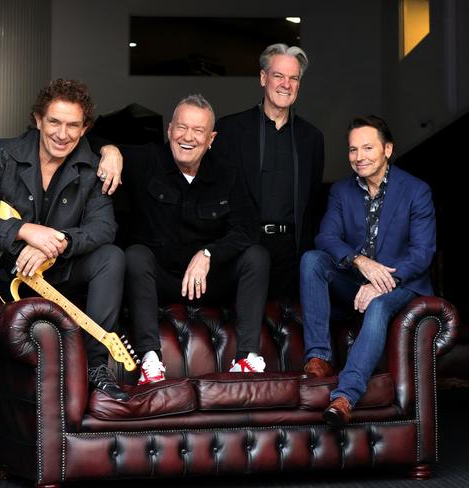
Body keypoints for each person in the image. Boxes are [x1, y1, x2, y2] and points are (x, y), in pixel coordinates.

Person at [0, 79, 128, 488]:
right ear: (38, 119)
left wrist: (59, 244)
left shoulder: (91, 168)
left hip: (45, 275)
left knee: (112, 258)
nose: (62, 133)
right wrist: (26, 231)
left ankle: (97, 367)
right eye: (54, 121)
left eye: (73, 125)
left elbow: (105, 228)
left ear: (85, 127)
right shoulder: (3, 152)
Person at [117, 94, 270, 383]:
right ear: (170, 131)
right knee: (135, 254)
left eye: (198, 131)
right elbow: (90, 145)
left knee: (256, 256)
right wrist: (112, 152)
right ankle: (150, 360)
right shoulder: (147, 160)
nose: (188, 137)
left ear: (211, 138)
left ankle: (246, 358)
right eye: (182, 128)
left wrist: (209, 253)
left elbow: (247, 229)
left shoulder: (228, 174)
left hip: (208, 283)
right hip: (160, 282)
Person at [300, 115, 436, 428]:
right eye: (352, 150)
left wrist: (383, 282)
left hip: (403, 282)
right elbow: (327, 237)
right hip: (356, 280)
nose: (359, 157)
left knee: (377, 305)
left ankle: (344, 397)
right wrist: (360, 262)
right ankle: (318, 358)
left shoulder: (416, 191)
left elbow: (422, 253)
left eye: (367, 148)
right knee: (312, 259)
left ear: (388, 149)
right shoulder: (340, 191)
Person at [213, 43, 324, 301]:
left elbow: (313, 203)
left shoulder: (312, 138)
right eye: (278, 75)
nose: (286, 84)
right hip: (244, 250)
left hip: (292, 254)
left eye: (294, 78)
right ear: (263, 78)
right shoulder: (230, 130)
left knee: (287, 332)